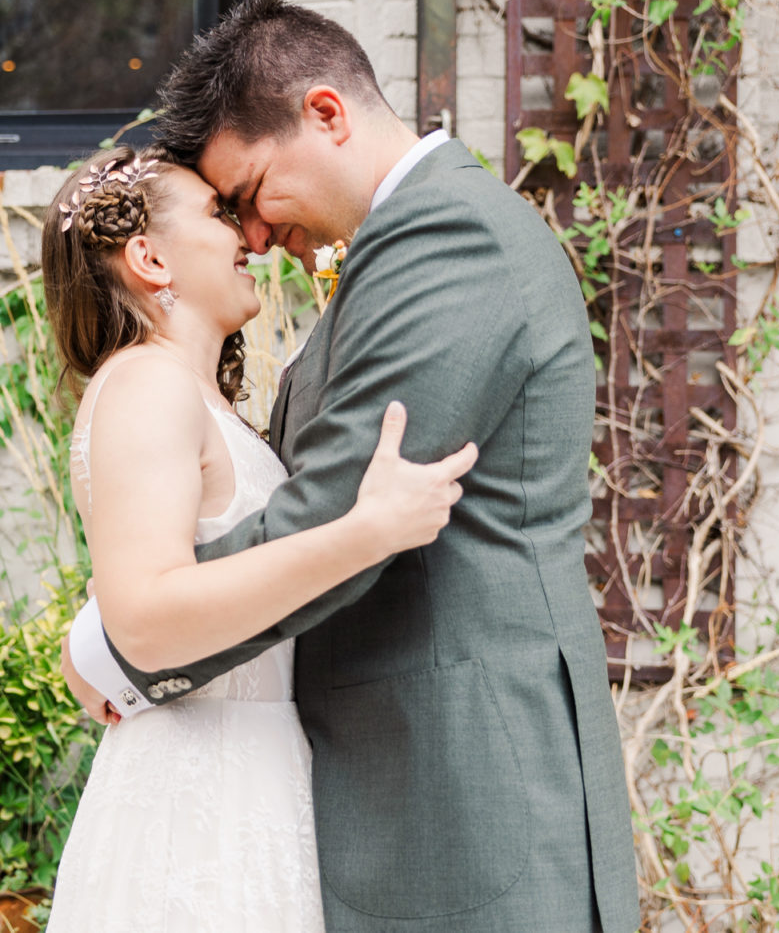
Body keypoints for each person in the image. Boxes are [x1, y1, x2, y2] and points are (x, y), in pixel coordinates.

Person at [63, 0, 640, 933]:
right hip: (387, 791)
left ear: (324, 115)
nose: (251, 234)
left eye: (249, 195)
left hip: (464, 796)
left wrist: (120, 644)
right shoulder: (385, 256)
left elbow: (336, 516)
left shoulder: (448, 238)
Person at [38, 145, 478, 932]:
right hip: (197, 803)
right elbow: (145, 615)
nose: (248, 231)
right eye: (217, 212)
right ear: (148, 257)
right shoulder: (148, 384)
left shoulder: (194, 398)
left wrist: (89, 649)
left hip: (256, 776)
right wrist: (366, 533)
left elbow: (153, 576)